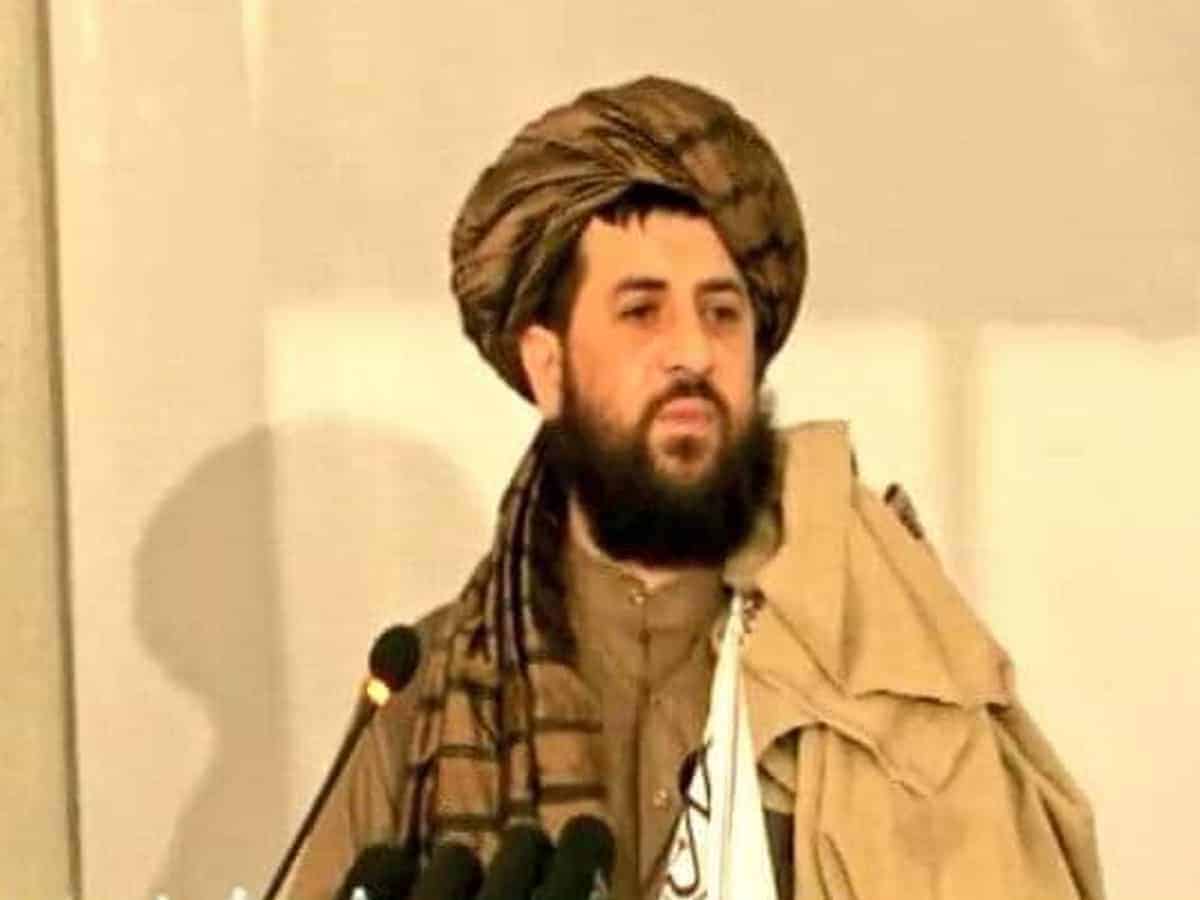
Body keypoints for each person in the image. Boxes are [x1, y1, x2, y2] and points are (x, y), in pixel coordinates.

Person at [290, 76, 1104, 900]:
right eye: (642, 311)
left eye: (722, 313)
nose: (693, 352)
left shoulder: (875, 669)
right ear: (548, 366)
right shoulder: (422, 698)